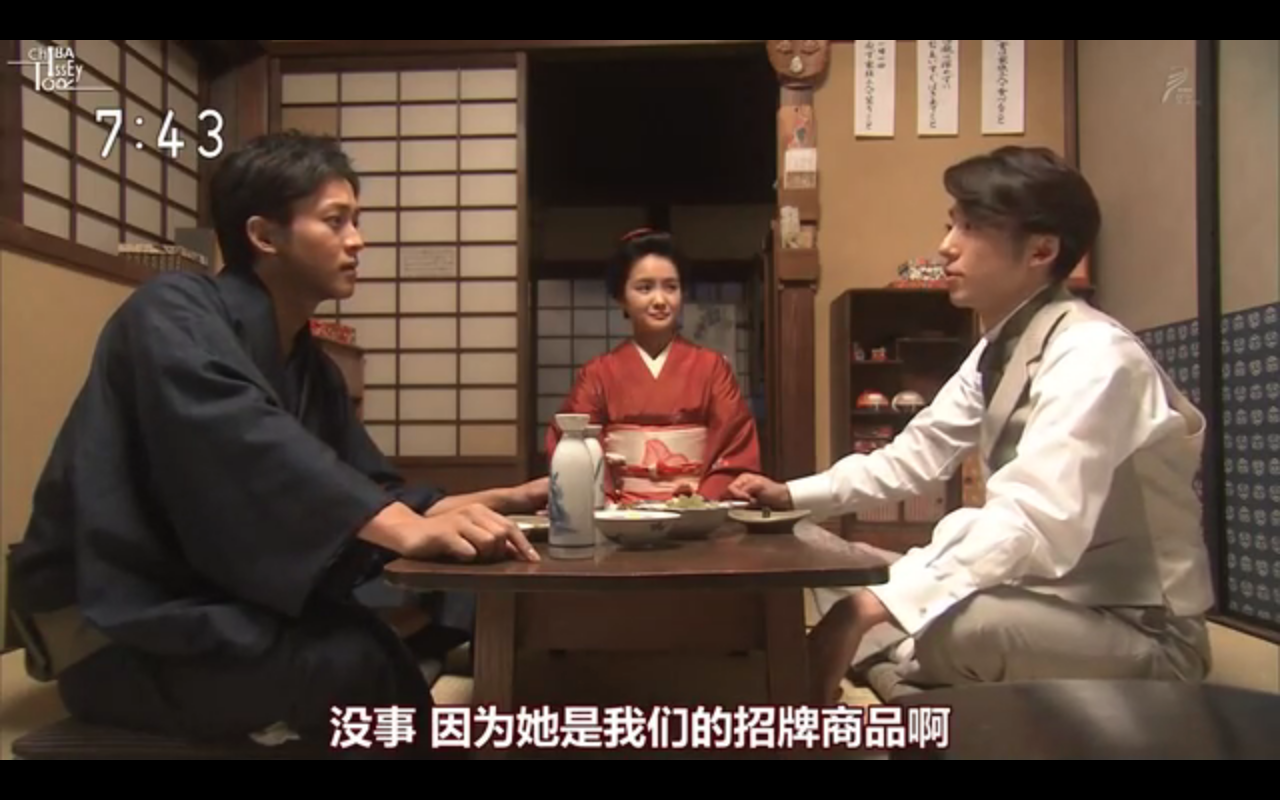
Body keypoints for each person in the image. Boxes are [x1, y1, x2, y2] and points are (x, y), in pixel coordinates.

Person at [8, 130, 546, 757]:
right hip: (122, 625)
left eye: (356, 221)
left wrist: (504, 500)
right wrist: (403, 528)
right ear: (265, 236)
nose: (357, 240)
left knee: (459, 594)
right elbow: (245, 444)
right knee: (356, 660)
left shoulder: (310, 365)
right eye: (336, 221)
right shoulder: (169, 310)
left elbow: (366, 489)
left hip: (218, 593)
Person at [728, 146, 1215, 704]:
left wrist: (870, 609)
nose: (946, 245)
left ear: (1041, 250)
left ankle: (904, 659)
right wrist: (790, 496)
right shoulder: (997, 350)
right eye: (951, 224)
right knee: (827, 561)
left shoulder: (1096, 356)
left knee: (965, 629)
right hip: (1038, 601)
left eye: (971, 227)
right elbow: (913, 456)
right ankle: (906, 659)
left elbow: (1033, 519)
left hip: (1136, 628)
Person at [544, 228, 762, 504]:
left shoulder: (713, 368)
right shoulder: (597, 374)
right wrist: (606, 500)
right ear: (621, 297)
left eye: (671, 287)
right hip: (619, 511)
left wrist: (700, 501)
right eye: (645, 288)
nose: (660, 300)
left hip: (695, 507)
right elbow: (573, 444)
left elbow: (734, 444)